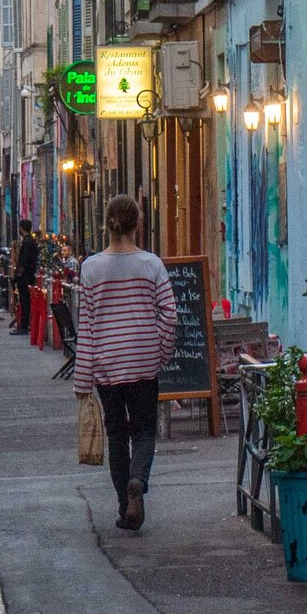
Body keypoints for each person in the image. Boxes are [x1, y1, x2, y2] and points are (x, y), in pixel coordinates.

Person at [73, 197, 177, 532]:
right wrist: (159, 350)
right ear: (137, 224)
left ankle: (123, 508)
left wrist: (82, 379)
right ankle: (138, 479)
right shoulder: (151, 265)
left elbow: (86, 328)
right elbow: (170, 316)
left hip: (107, 365)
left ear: (106, 224)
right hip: (144, 361)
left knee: (117, 435)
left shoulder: (90, 269)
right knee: (145, 430)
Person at [8, 220, 41, 337]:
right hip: (29, 275)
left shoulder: (27, 242)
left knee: (24, 301)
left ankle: (23, 326)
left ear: (21, 228)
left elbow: (24, 261)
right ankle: (24, 325)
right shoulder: (31, 241)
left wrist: (19, 275)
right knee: (25, 301)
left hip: (25, 277)